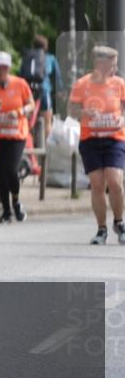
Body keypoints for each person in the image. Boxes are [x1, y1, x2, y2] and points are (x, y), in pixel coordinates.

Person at [68, 45, 125, 245]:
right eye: (112, 64)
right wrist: (85, 113)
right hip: (90, 139)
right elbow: (72, 111)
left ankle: (119, 222)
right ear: (100, 63)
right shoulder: (82, 84)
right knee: (98, 184)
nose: (115, 68)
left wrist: (122, 119)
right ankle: (101, 229)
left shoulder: (119, 84)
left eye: (116, 64)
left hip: (114, 139)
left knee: (115, 181)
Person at [0, 51, 35, 224]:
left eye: (4, 68)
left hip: (16, 135)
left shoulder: (20, 84)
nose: (1, 71)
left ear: (9, 68)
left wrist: (21, 111)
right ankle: (6, 211)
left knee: (11, 169)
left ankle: (16, 200)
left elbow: (30, 104)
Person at [20, 34, 63, 142]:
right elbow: (57, 76)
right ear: (46, 47)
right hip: (44, 91)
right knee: (47, 121)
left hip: (29, 91)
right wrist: (61, 91)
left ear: (33, 46)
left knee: (28, 120)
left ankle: (28, 146)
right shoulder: (50, 58)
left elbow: (21, 75)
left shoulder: (27, 57)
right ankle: (47, 150)